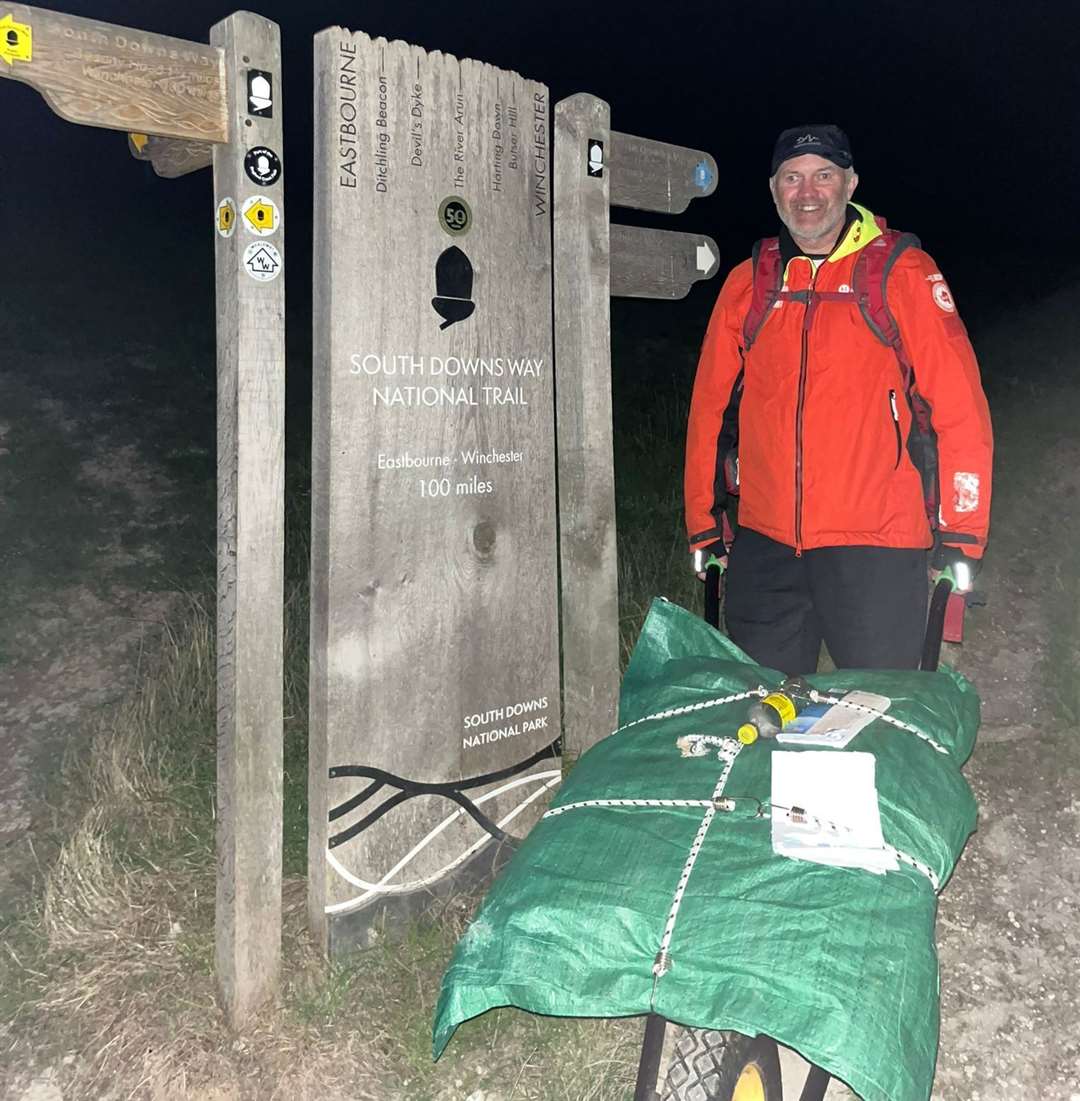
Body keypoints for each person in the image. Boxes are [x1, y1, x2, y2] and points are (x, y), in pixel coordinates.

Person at [684, 124, 993, 675]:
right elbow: (710, 410)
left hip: (877, 545)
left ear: (850, 184)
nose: (808, 193)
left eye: (823, 176)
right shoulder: (748, 284)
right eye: (793, 178)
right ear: (774, 190)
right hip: (767, 544)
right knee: (761, 711)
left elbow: (960, 408)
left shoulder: (902, 274)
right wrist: (704, 525)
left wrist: (963, 534)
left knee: (875, 708)